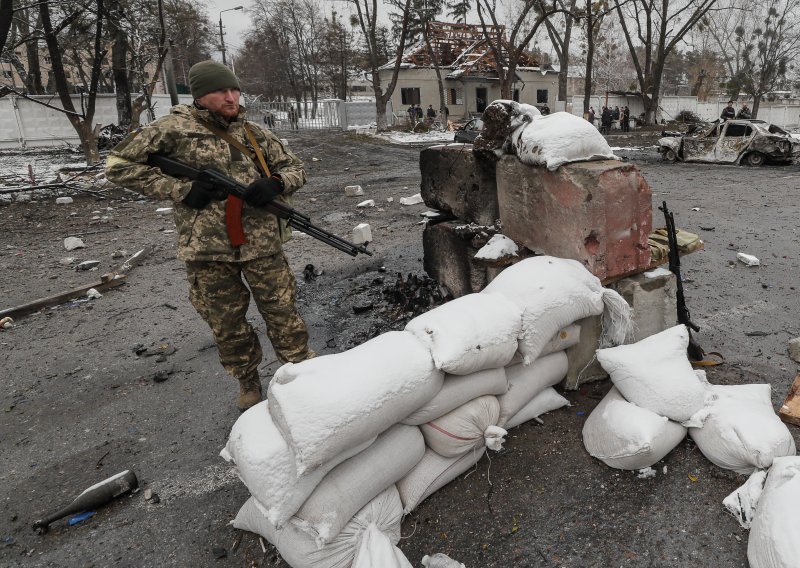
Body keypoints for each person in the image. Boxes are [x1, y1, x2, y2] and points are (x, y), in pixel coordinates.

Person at [105, 60, 315, 411]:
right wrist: (180, 190)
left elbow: (296, 168)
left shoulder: (255, 132)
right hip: (207, 250)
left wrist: (276, 183)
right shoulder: (171, 129)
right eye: (222, 91)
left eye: (234, 90)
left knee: (283, 312)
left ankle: (300, 373)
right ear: (201, 95)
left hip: (262, 244)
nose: (231, 97)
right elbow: (118, 166)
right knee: (226, 321)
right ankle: (248, 381)